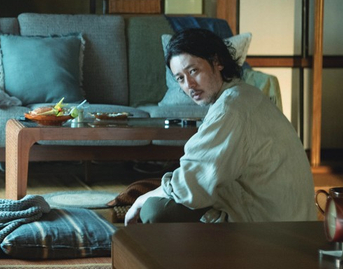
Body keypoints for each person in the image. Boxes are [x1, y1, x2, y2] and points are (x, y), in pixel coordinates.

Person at [125, 28, 315, 225]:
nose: (189, 84)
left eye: (193, 71)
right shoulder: (245, 94)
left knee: (155, 210)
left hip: (272, 229)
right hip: (291, 220)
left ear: (217, 62)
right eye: (180, 78)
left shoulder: (230, 108)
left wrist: (140, 200)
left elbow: (190, 184)